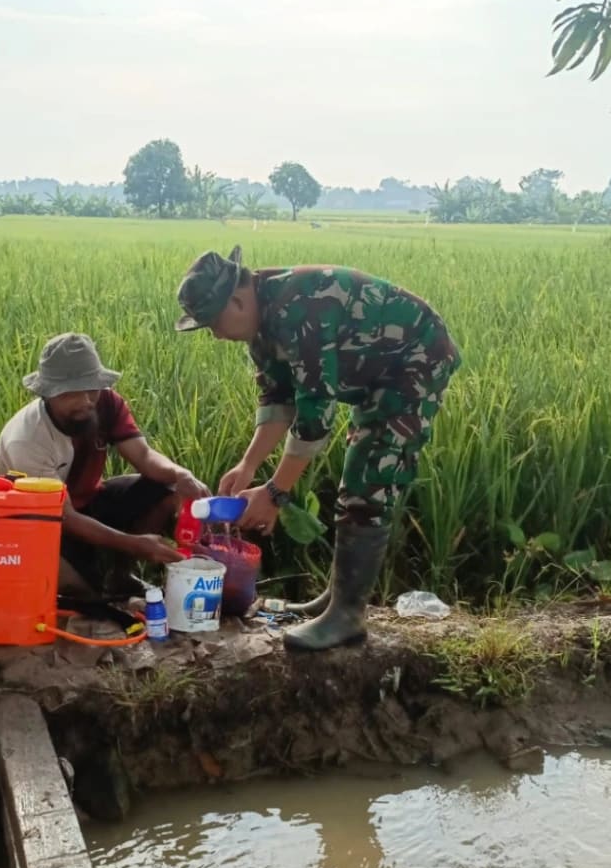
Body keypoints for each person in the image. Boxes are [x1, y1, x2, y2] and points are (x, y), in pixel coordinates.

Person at [175, 246, 460, 651]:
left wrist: (275, 493)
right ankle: (336, 599)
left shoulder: (298, 309)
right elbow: (278, 400)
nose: (216, 335)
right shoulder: (261, 324)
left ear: (236, 301)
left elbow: (314, 416)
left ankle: (347, 616)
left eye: (213, 323)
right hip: (376, 373)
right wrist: (247, 465)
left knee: (370, 478)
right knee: (358, 476)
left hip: (414, 359)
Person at [0, 332, 208, 596]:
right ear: (48, 394)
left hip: (89, 502)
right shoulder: (28, 439)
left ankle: (122, 576)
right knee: (84, 597)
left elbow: (143, 456)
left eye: (91, 389)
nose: (86, 401)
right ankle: (93, 582)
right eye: (72, 393)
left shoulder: (106, 403)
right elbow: (64, 516)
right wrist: (133, 543)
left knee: (166, 487)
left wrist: (181, 473)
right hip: (41, 524)